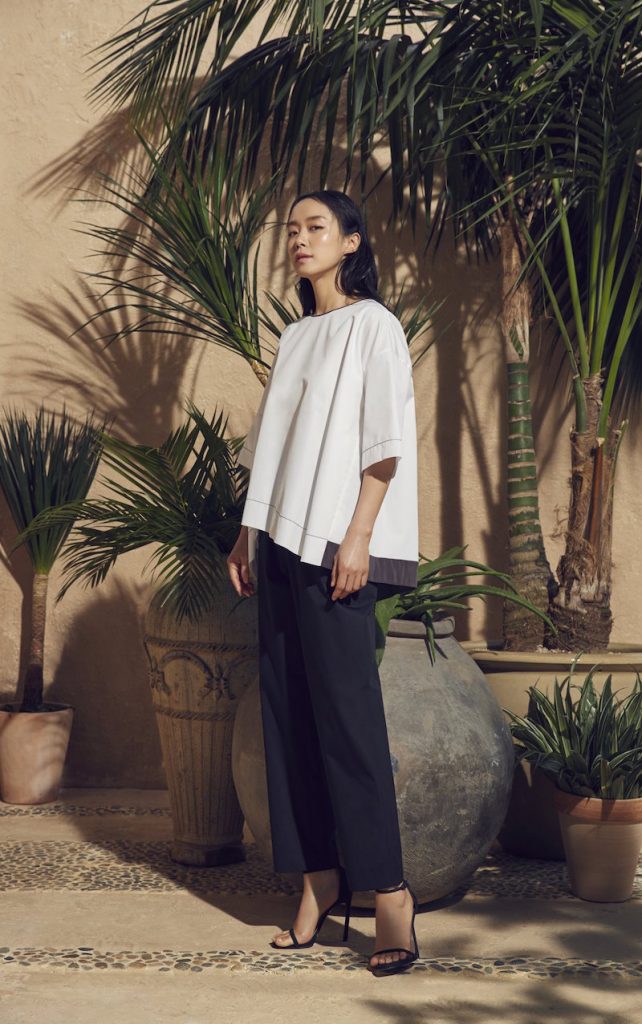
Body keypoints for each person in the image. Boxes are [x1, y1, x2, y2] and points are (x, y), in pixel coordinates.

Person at [227, 189, 420, 978]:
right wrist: (245, 533)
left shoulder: (375, 326)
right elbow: (270, 448)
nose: (299, 239)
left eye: (315, 228)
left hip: (336, 545)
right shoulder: (298, 336)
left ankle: (391, 894)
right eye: (292, 230)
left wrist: (360, 537)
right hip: (277, 544)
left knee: (348, 723)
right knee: (287, 720)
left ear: (351, 242)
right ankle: (318, 881)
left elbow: (384, 444)